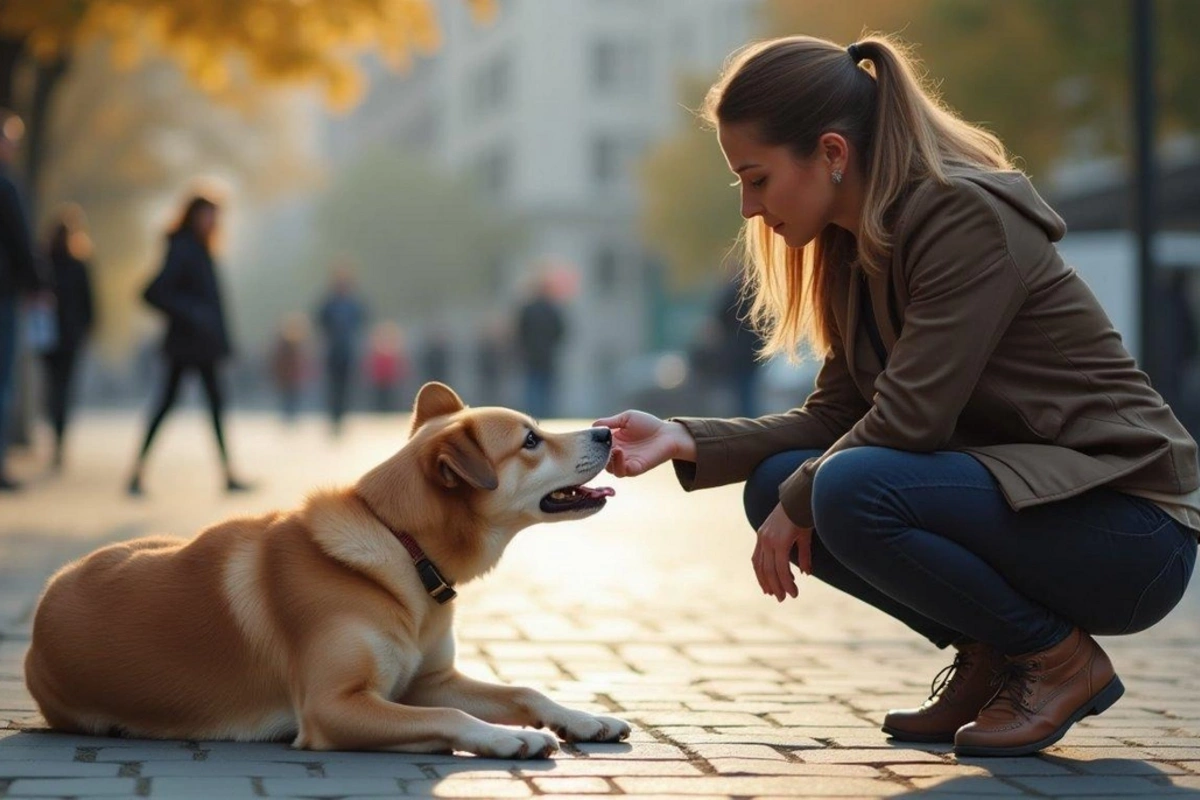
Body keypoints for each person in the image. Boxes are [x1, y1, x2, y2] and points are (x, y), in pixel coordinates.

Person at [593, 35, 1199, 758]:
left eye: (757, 178)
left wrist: (801, 498)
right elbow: (836, 414)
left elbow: (911, 419)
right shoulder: (852, 246)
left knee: (838, 488)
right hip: (1037, 502)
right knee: (775, 487)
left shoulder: (963, 217)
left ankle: (1056, 659)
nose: (751, 208)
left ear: (832, 152)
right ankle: (992, 655)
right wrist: (686, 438)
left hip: (1129, 528)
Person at [127, 194, 251, 495]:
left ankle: (227, 473)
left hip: (203, 345)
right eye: (208, 215)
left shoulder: (201, 249)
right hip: (186, 344)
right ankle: (137, 472)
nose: (212, 222)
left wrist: (223, 340)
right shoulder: (183, 249)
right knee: (168, 404)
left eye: (215, 217)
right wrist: (190, 313)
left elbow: (215, 304)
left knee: (213, 405)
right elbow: (152, 292)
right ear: (193, 216)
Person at [0, 110, 44, 492]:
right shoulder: (6, 185)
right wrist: (37, 285)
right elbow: (20, 241)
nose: (13, 148)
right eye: (10, 140)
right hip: (3, 296)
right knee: (2, 380)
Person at [41, 204, 95, 470]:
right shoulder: (74, 264)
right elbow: (89, 303)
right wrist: (88, 327)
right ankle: (58, 438)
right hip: (65, 336)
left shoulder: (47, 262)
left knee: (55, 388)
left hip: (52, 336)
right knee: (62, 388)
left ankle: (57, 435)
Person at [316, 264, 366, 436]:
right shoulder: (329, 303)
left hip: (348, 351)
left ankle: (342, 417)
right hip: (333, 351)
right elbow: (320, 321)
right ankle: (334, 417)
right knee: (333, 386)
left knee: (345, 387)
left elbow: (361, 321)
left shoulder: (353, 304)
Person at [515, 275, 567, 419]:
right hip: (547, 355)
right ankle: (545, 415)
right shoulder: (552, 310)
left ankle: (532, 416)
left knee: (532, 387)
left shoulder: (528, 309)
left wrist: (525, 347)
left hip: (531, 355)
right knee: (545, 388)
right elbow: (561, 331)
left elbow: (520, 331)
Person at [269, 312, 310, 425]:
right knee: (288, 396)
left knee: (292, 396)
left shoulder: (295, 346)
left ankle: (291, 416)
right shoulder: (283, 346)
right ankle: (288, 416)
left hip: (292, 376)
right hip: (287, 376)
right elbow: (277, 362)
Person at [364, 320, 408, 413]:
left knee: (391, 397)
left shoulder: (394, 352)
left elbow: (400, 366)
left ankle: (389, 411)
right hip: (379, 378)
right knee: (379, 397)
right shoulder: (376, 352)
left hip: (391, 378)